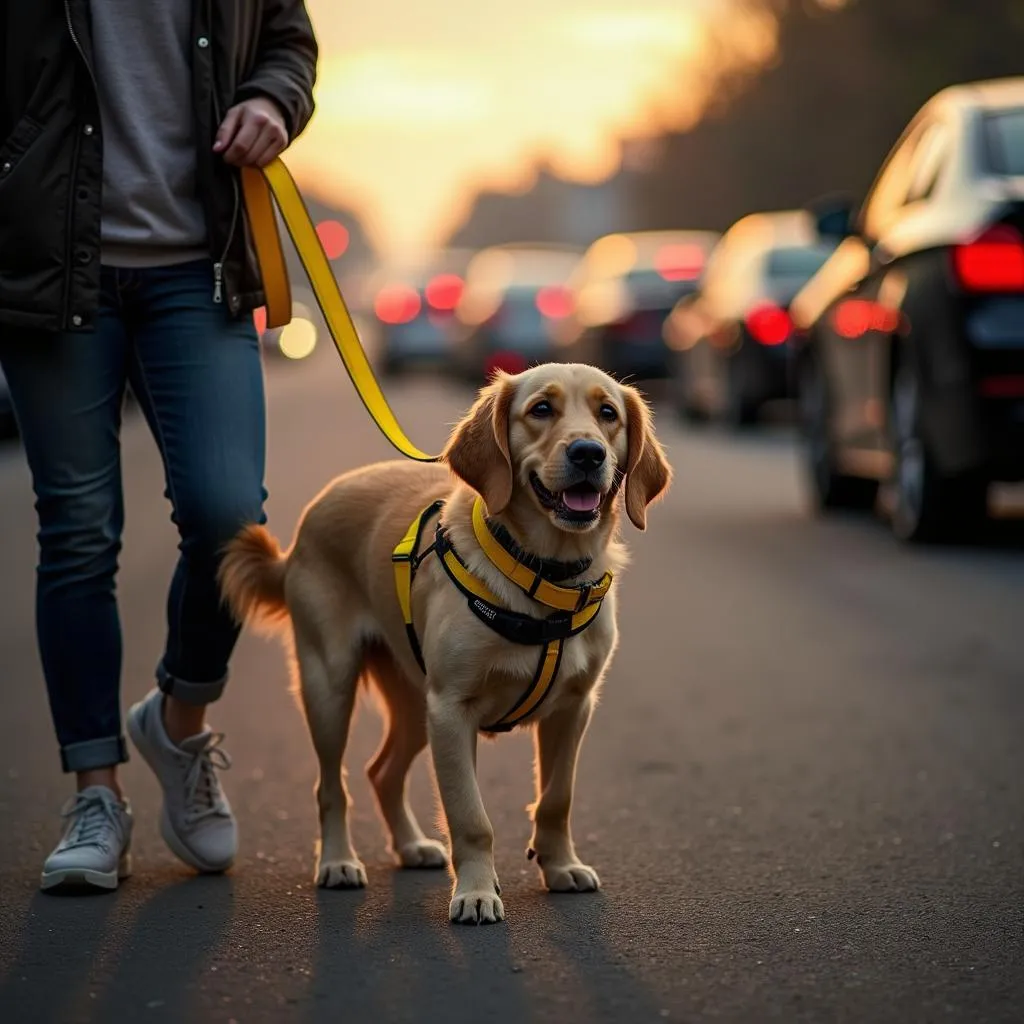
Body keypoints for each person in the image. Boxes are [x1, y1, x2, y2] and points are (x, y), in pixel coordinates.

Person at [0, 1, 318, 891]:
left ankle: (178, 725)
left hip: (200, 267)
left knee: (230, 520)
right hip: (53, 265)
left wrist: (271, 100)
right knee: (77, 529)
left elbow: (289, 42)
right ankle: (94, 795)